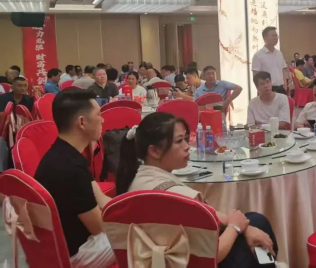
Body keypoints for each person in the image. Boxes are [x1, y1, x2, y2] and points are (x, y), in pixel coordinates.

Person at [116, 112, 278, 267]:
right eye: (179, 141)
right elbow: (212, 255)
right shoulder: (178, 197)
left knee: (252, 222)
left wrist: (243, 226)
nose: (187, 146)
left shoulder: (136, 181)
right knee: (259, 224)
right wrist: (235, 228)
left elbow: (211, 215)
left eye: (186, 139)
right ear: (155, 151)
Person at [34, 90, 116, 267]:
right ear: (82, 122)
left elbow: (101, 199)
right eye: (98, 114)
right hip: (73, 254)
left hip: (58, 245)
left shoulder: (64, 154)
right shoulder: (70, 169)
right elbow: (98, 227)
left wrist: (129, 210)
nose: (102, 120)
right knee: (142, 237)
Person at [251, 27, 288, 94]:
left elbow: (283, 70)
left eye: (276, 36)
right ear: (265, 38)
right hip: (266, 89)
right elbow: (255, 75)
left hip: (281, 89)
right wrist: (259, 89)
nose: (275, 38)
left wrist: (285, 85)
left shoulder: (279, 53)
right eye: (273, 36)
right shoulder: (258, 55)